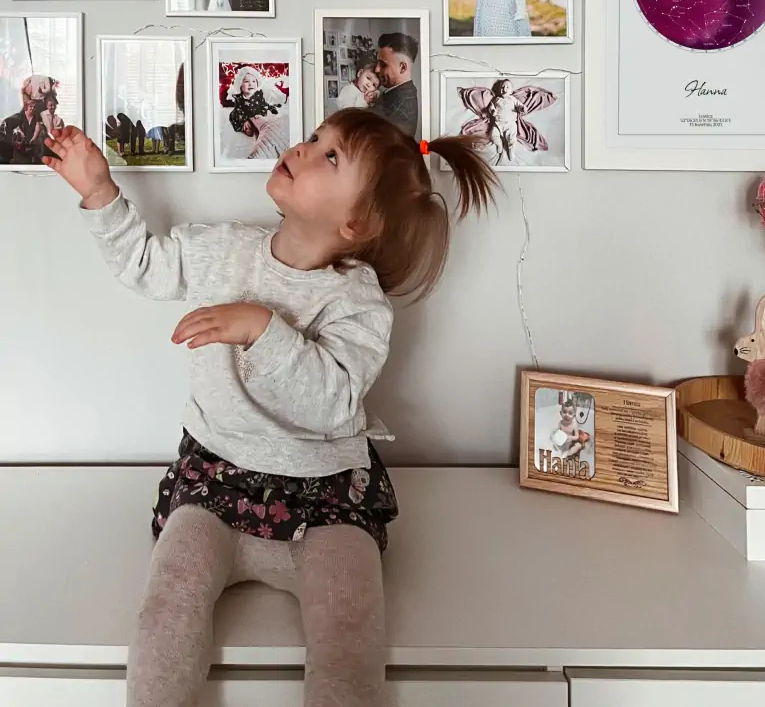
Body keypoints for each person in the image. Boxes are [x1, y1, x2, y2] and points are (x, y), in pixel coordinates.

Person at [42, 112, 496, 707]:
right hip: (214, 483)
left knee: (350, 640)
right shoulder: (224, 249)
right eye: (314, 139)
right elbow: (146, 266)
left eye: (330, 157)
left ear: (356, 221)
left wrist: (263, 329)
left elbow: (333, 402)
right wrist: (99, 191)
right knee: (165, 611)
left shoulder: (359, 303)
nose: (304, 150)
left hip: (327, 497)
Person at [373, 33, 420, 137]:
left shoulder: (403, 103)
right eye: (377, 63)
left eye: (383, 64)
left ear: (402, 67)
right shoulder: (401, 92)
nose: (376, 69)